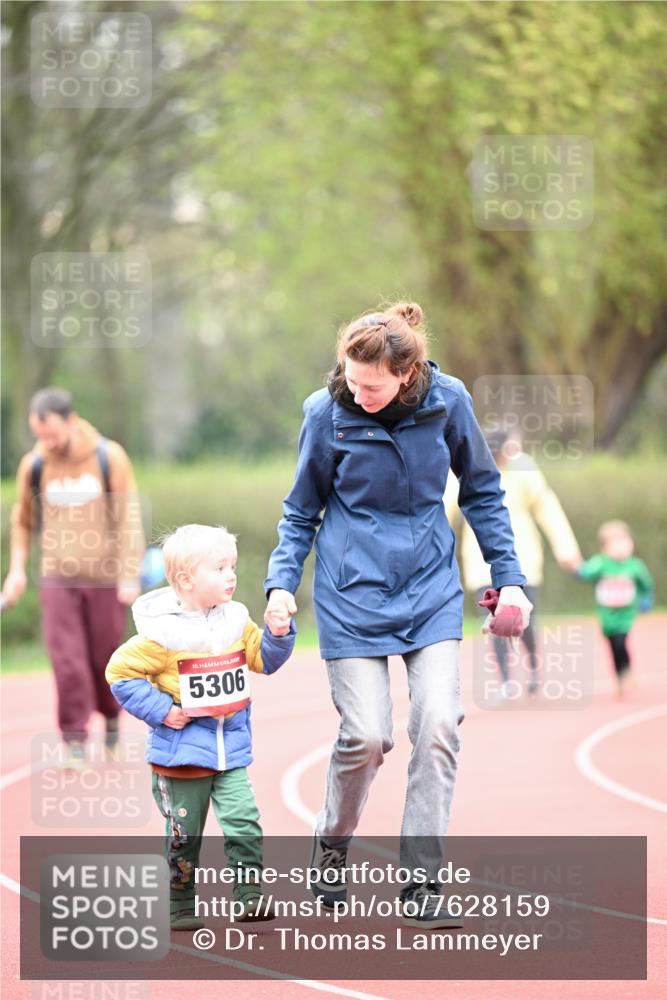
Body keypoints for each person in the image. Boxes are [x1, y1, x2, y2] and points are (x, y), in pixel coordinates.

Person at [263, 301, 532, 929]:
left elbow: (484, 492)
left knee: (438, 723)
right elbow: (301, 510)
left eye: (373, 385)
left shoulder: (449, 401)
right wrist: (280, 585)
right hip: (350, 591)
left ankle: (421, 884)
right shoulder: (325, 412)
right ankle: (332, 842)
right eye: (350, 380)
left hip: (430, 587)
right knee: (367, 735)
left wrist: (509, 578)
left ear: (407, 375)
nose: (358, 393)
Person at [106, 524, 296, 931]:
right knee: (184, 838)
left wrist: (279, 634)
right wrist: (162, 710)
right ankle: (179, 903)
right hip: (182, 757)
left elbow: (263, 659)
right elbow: (119, 674)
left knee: (244, 821)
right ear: (187, 580)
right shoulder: (161, 634)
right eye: (220, 567)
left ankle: (249, 896)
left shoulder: (235, 621)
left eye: (233, 566)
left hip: (230, 752)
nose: (232, 575)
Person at [2, 387, 145, 768]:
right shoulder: (34, 464)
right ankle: (75, 742)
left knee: (104, 657)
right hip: (57, 576)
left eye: (50, 432)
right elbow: (22, 522)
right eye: (39, 434)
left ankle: (112, 721)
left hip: (105, 576)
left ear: (70, 419)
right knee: (67, 661)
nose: (46, 441)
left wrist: (129, 572)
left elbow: (127, 516)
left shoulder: (107, 456)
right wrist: (16, 571)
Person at [445, 427, 582, 698]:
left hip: (523, 557)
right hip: (480, 558)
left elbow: (546, 507)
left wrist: (567, 549)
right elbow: (444, 508)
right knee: (494, 622)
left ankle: (533, 668)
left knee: (525, 619)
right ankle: (506, 680)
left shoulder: (523, 466)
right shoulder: (466, 464)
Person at [574, 520, 653, 697]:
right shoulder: (601, 563)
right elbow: (586, 572)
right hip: (607, 616)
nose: (621, 548)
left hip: (626, 614)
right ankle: (620, 676)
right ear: (605, 547)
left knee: (620, 642)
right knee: (613, 646)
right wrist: (575, 568)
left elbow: (646, 584)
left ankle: (625, 674)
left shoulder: (635, 565)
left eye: (625, 542)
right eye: (615, 544)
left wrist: (646, 599)